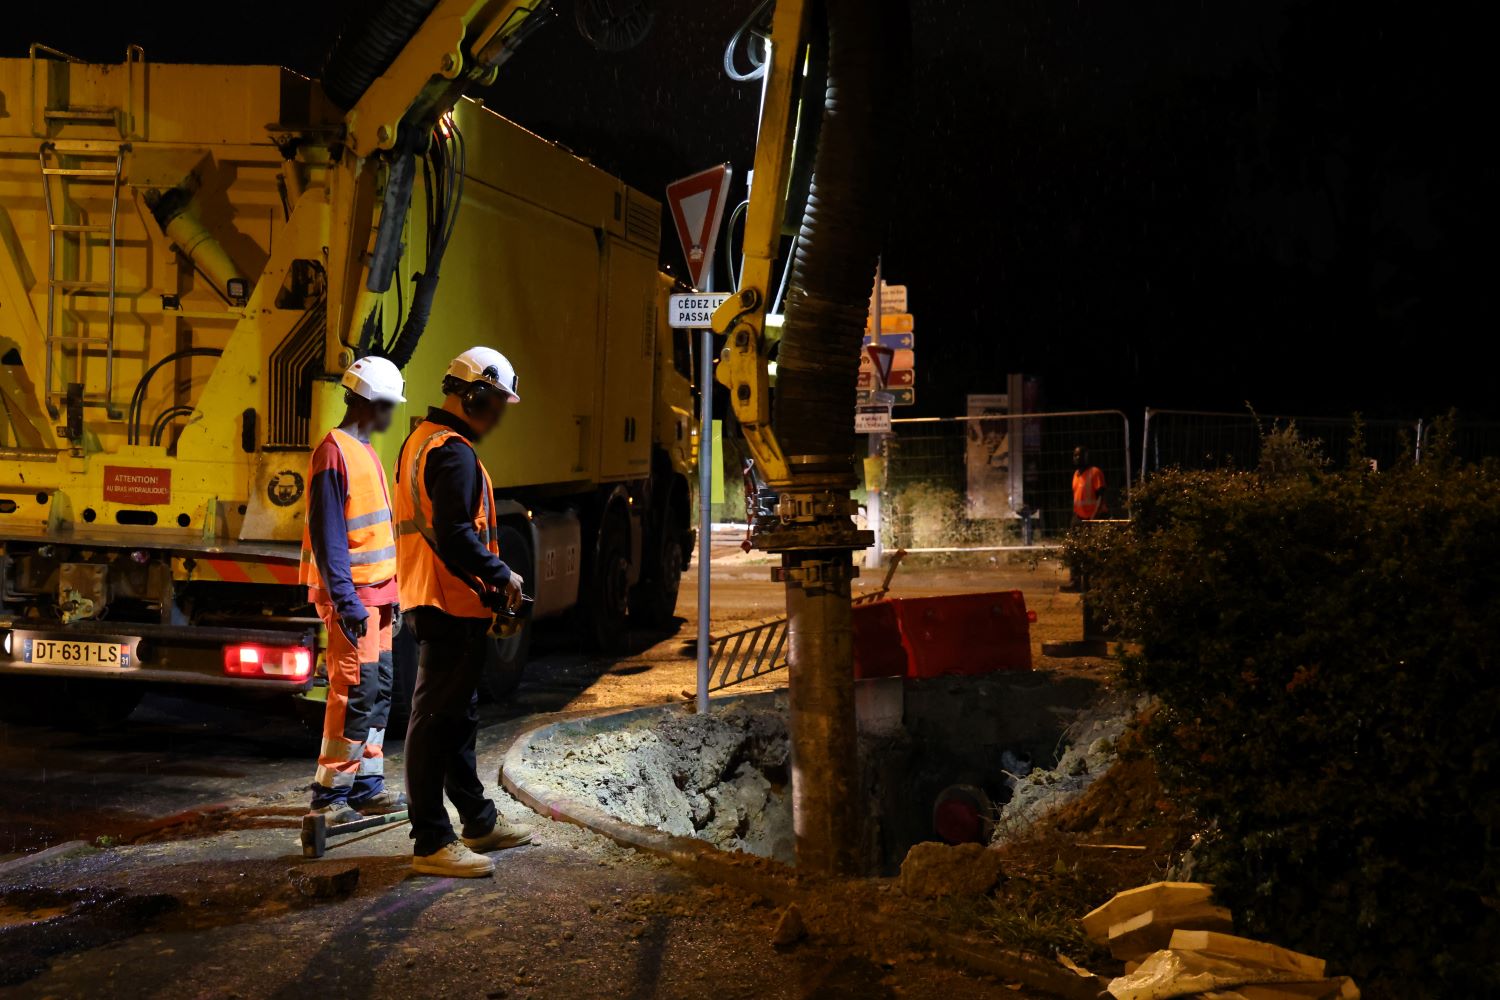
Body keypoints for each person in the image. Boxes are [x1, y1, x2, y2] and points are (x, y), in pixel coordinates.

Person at [394, 346, 532, 877]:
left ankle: (477, 820)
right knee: (434, 720)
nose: (498, 416)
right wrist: (503, 575)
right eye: (496, 403)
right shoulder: (452, 452)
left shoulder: (423, 440)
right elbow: (454, 534)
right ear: (475, 395)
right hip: (448, 599)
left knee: (456, 717)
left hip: (441, 597)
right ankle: (431, 840)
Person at [301, 356, 408, 822]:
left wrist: (395, 594)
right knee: (353, 691)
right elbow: (329, 539)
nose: (392, 415)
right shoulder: (334, 452)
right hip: (355, 599)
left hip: (378, 596)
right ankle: (331, 795)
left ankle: (365, 784)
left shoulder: (363, 450)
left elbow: (376, 534)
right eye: (389, 405)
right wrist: (346, 601)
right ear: (372, 403)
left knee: (379, 688)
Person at [1062, 445, 1107, 592]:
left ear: (1086, 456)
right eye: (1074, 455)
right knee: (1074, 549)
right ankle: (1075, 582)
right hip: (1078, 517)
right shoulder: (1076, 474)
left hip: (1093, 518)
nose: (1076, 458)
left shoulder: (1095, 473)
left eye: (1079, 455)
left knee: (1093, 551)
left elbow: (1101, 496)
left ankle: (1094, 584)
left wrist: (1094, 518)